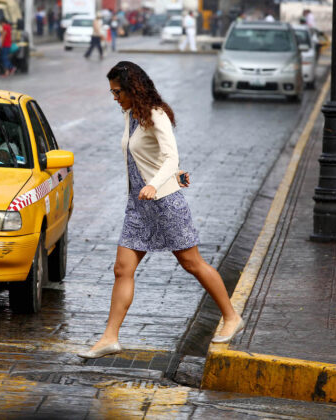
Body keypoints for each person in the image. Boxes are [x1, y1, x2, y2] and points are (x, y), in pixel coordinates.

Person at [77, 61, 243, 359]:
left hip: (165, 203)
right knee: (122, 269)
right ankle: (109, 337)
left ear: (133, 89)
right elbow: (150, 157)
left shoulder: (156, 114)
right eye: (112, 92)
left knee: (191, 263)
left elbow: (170, 155)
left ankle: (231, 317)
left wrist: (157, 183)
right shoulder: (131, 115)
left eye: (118, 92)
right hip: (138, 206)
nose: (115, 98)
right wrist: (172, 176)